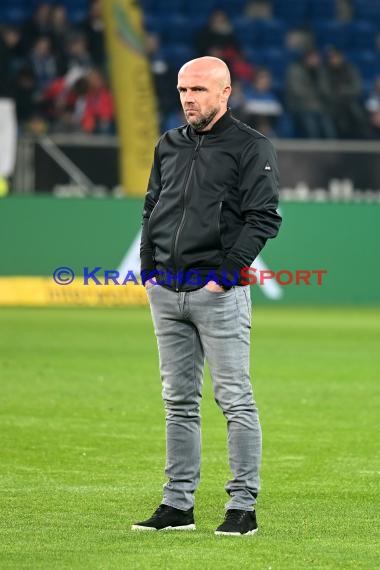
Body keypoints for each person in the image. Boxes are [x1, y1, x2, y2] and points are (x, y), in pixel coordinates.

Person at [133, 56, 282, 536]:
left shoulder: (251, 146)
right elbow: (152, 205)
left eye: (198, 89)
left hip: (218, 294)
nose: (188, 99)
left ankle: (243, 507)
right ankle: (177, 506)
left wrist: (224, 275)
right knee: (177, 401)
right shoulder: (169, 144)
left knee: (235, 399)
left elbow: (264, 217)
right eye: (182, 90)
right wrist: (148, 270)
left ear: (225, 92)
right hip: (166, 292)